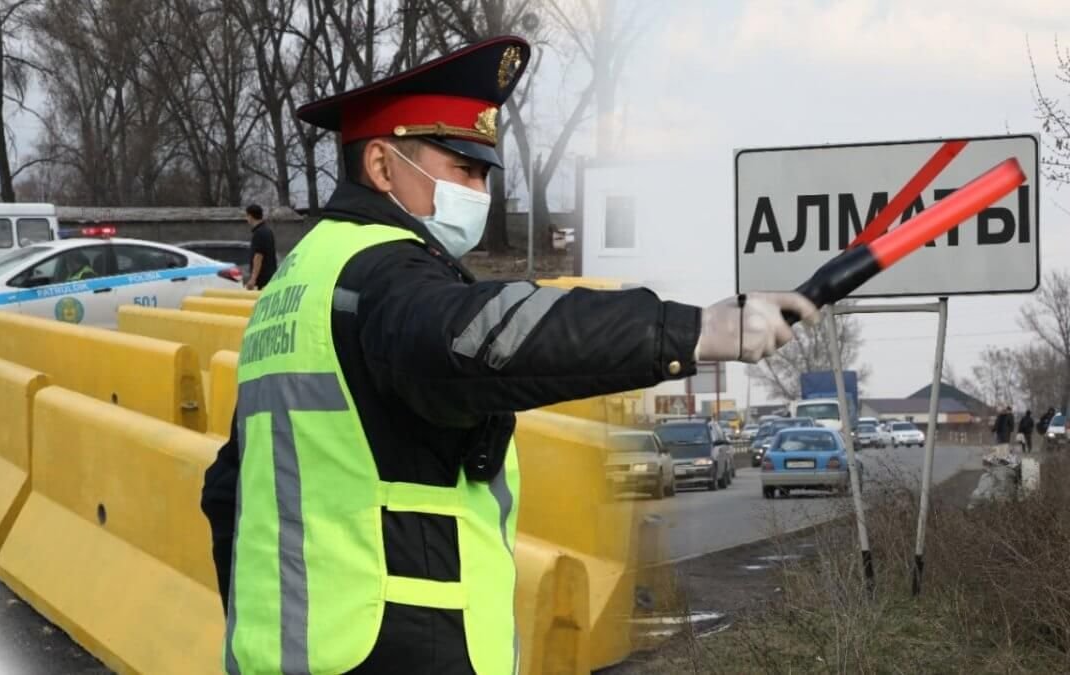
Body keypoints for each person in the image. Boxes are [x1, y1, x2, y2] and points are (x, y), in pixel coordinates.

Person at [200, 36, 818, 675]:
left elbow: (229, 489)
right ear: (382, 168)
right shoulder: (382, 276)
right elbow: (479, 338)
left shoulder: (301, 280)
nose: (479, 191)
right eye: (461, 170)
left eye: (484, 174)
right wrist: (694, 331)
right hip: (398, 645)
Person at [245, 203, 277, 290]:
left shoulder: (259, 233)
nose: (246, 219)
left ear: (250, 216)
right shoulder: (267, 230)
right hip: (270, 277)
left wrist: (253, 279)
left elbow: (258, 257)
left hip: (263, 280)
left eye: (247, 216)